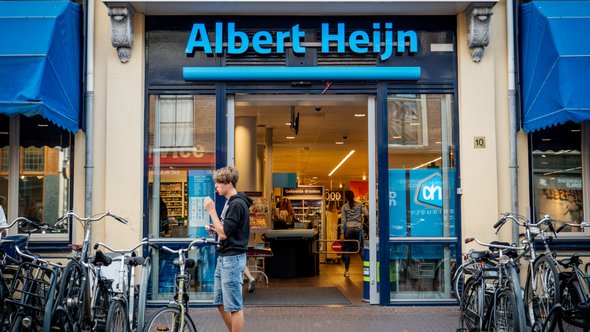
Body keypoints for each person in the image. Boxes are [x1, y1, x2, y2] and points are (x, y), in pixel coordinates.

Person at [204, 166, 252, 332]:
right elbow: (225, 229)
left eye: (219, 183)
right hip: (224, 258)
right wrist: (214, 227)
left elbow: (224, 233)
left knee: (234, 306)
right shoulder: (230, 203)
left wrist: (211, 211)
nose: (216, 186)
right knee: (219, 301)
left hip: (232, 259)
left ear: (229, 184)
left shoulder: (237, 204)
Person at [339, 190, 368, 278]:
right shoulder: (359, 205)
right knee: (361, 249)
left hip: (349, 229)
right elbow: (367, 214)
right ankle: (367, 268)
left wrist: (342, 233)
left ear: (346, 197)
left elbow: (343, 221)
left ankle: (347, 271)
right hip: (358, 229)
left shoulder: (344, 207)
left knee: (347, 250)